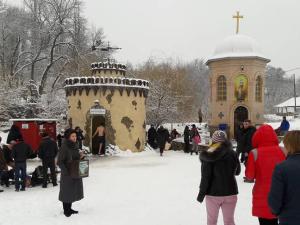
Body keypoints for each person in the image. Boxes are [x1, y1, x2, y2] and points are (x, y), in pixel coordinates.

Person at [197, 130, 241, 225]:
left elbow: (205, 177)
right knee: (229, 221)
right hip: (231, 192)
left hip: (213, 194)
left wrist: (201, 194)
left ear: (213, 140)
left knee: (212, 221)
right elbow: (237, 172)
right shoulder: (232, 153)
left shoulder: (209, 153)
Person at [245, 125, 286, 225]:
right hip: (281, 193)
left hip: (262, 195)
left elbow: (249, 176)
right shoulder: (284, 151)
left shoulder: (254, 153)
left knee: (264, 222)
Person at [268, 131, 300, 225]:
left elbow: (275, 199)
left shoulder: (282, 168)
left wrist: (276, 212)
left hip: (290, 218)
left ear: (289, 146)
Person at [57, 129, 84, 217]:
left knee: (72, 191)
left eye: (75, 136)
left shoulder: (75, 146)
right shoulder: (64, 147)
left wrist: (81, 157)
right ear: (68, 137)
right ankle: (66, 210)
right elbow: (59, 162)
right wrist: (66, 172)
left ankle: (69, 209)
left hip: (74, 172)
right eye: (72, 136)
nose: (75, 138)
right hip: (67, 174)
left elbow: (75, 159)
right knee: (66, 192)